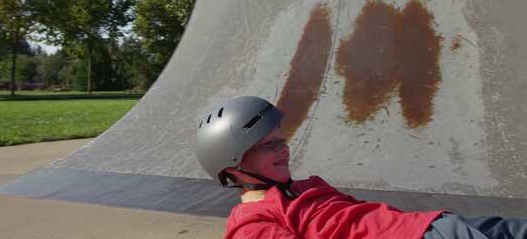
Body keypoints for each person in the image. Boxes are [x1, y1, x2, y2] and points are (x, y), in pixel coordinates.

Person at [195, 96, 527, 239]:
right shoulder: (252, 223)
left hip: (433, 225)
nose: (283, 150)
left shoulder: (307, 185)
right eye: (268, 145)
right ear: (233, 168)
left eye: (281, 140)